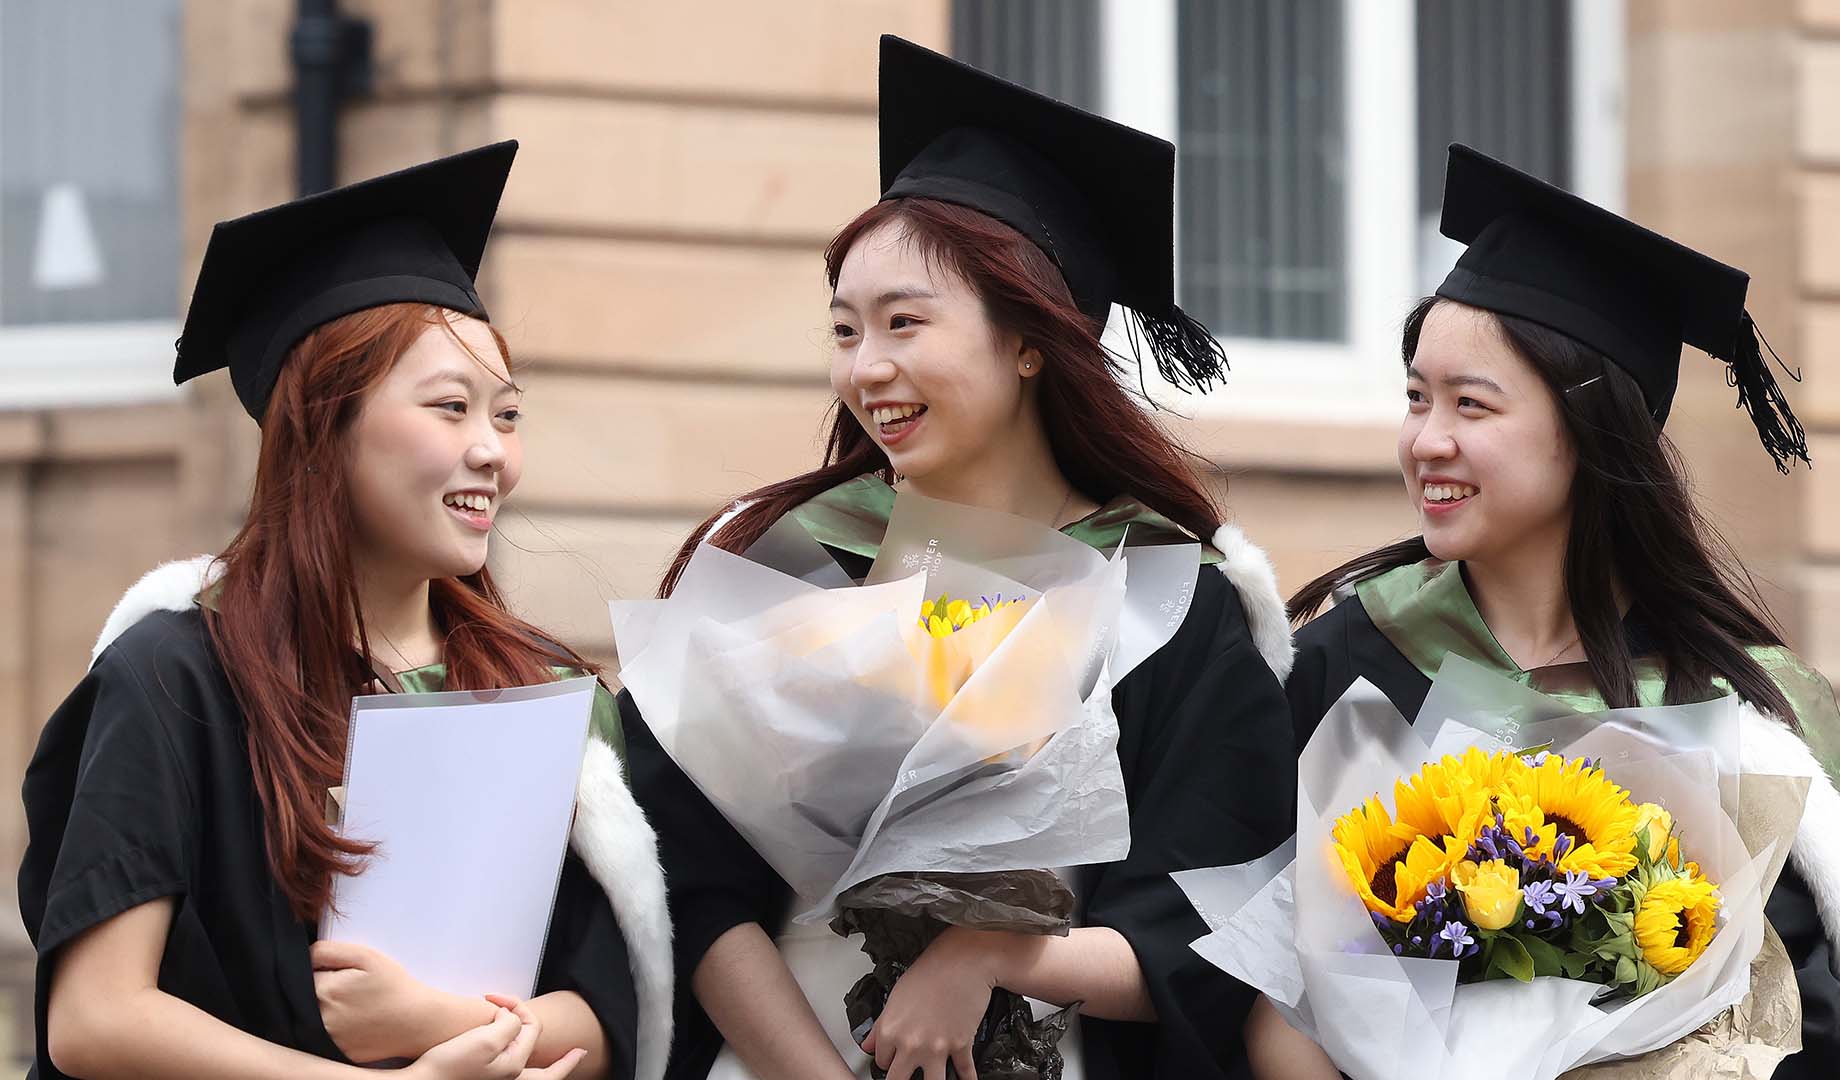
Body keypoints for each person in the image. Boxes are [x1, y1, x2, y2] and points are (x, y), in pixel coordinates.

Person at [623, 35, 1298, 1080]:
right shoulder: (785, 562)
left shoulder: (1170, 598)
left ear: (1031, 340)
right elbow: (690, 883)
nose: (867, 368)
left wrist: (992, 950)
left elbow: (1212, 931)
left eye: (905, 323)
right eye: (845, 330)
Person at [19, 143, 671, 1080]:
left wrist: (433, 1019)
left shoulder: (536, 690)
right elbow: (94, 1019)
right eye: (451, 408)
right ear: (325, 428)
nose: (492, 450)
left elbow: (610, 1009)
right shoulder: (176, 677)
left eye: (509, 414)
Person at [1264, 144, 1840, 1080]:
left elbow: (1807, 1027)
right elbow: (1262, 982)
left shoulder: (1743, 710)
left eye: (1471, 406)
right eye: (1414, 398)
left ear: (1589, 432)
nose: (1426, 440)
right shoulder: (1347, 660)